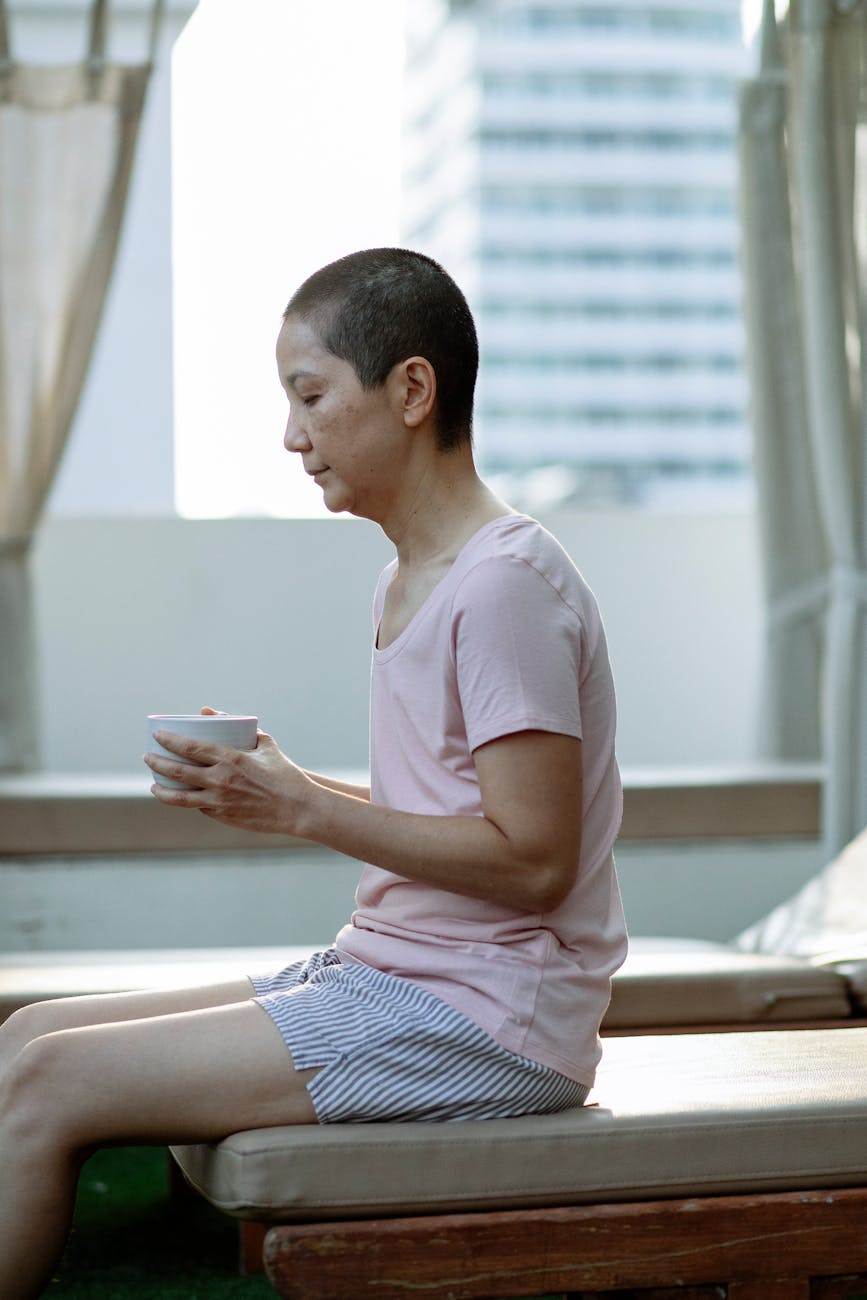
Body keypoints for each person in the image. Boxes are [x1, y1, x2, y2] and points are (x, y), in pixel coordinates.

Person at [0, 247, 627, 1298]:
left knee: (50, 1080)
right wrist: (286, 783)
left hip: (489, 1013)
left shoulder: (508, 584)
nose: (293, 435)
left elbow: (535, 863)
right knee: (29, 1030)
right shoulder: (409, 577)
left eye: (311, 396)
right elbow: (460, 819)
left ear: (411, 390)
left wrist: (301, 812)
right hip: (400, 972)